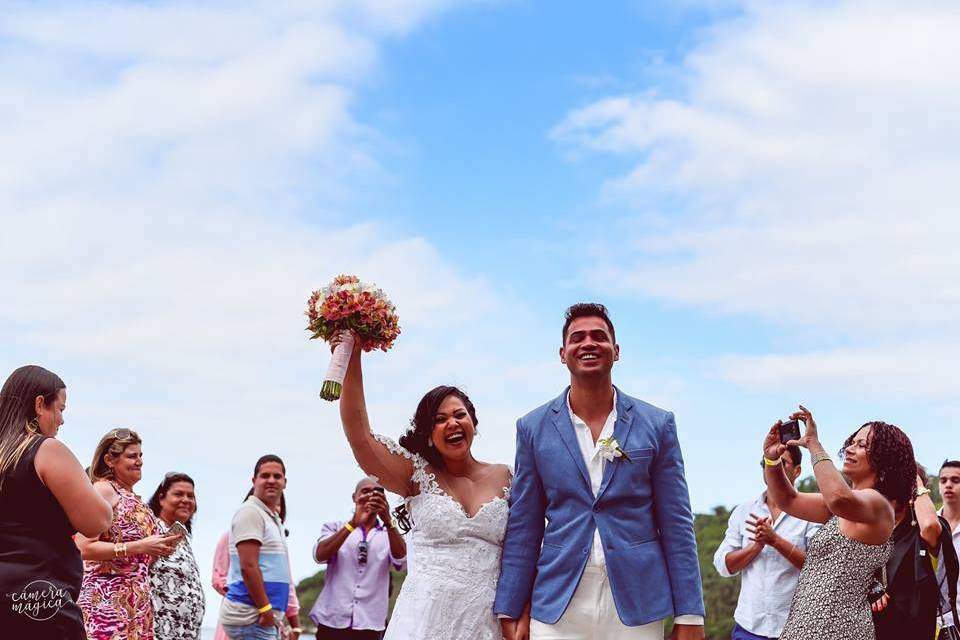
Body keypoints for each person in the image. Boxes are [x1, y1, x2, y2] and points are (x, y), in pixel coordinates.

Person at [495, 303, 705, 640]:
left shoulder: (657, 424)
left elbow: (677, 522)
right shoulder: (532, 428)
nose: (588, 343)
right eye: (578, 338)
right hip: (558, 603)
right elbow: (524, 525)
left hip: (638, 605)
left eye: (599, 337)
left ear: (616, 351)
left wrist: (690, 614)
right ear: (563, 354)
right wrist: (510, 607)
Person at [331, 328, 517, 639]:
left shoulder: (507, 477)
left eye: (459, 415)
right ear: (428, 434)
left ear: (474, 421)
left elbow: (526, 552)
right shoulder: (414, 475)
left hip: (486, 623)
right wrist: (353, 357)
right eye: (439, 420)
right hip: (423, 622)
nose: (452, 423)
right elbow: (359, 434)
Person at [762, 406, 916, 640]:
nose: (851, 448)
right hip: (803, 629)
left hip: (841, 632)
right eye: (852, 442)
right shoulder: (840, 508)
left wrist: (813, 443)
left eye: (862, 445)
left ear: (885, 460)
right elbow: (788, 499)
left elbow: (839, 498)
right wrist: (771, 460)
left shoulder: (879, 505)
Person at [0, 365, 113, 639]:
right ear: (40, 404)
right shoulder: (44, 450)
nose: (61, 419)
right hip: (39, 598)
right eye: (60, 408)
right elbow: (96, 522)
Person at [76, 428, 180, 640]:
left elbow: (138, 559)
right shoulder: (104, 490)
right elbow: (83, 547)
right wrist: (140, 546)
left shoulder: (134, 498)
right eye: (132, 456)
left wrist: (158, 548)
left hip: (137, 602)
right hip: (106, 601)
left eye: (140, 455)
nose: (139, 461)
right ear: (109, 460)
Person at [713, 447, 820, 640]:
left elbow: (818, 570)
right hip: (749, 627)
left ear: (797, 471)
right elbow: (724, 566)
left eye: (782, 463)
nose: (772, 467)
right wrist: (756, 546)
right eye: (767, 462)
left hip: (796, 629)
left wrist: (776, 541)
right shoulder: (743, 511)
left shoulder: (812, 513)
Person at [310, 475, 407, 639]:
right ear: (354, 497)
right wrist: (353, 523)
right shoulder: (335, 527)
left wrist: (388, 521)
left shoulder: (389, 534)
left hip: (369, 624)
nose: (370, 496)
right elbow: (319, 555)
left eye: (376, 492)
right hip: (332, 620)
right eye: (365, 491)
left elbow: (402, 563)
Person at [219, 455, 301, 640]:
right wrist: (265, 610)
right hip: (250, 616)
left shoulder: (271, 518)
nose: (271, 480)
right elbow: (248, 566)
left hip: (259, 617)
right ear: (254, 480)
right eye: (265, 476)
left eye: (277, 476)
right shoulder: (250, 512)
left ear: (284, 482)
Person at [148, 472, 205, 640]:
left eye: (191, 496)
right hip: (160, 631)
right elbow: (139, 568)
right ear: (161, 499)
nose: (186, 500)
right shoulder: (152, 529)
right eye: (178, 494)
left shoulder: (182, 537)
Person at [936, 460, 960, 637]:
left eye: (955, 480)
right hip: (932, 621)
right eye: (943, 480)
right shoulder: (927, 524)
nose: (948, 485)